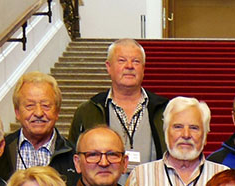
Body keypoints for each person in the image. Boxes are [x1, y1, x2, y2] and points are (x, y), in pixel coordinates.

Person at [68, 38, 169, 175]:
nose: (129, 66)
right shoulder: (88, 110)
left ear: (143, 68)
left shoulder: (165, 110)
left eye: (136, 61)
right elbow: (74, 159)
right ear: (108, 67)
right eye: (122, 60)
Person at [125, 97, 228, 186]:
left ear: (206, 136)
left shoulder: (223, 177)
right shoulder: (140, 176)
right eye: (178, 127)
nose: (186, 134)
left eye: (194, 128)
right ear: (166, 132)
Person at [0, 72, 77, 186]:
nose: (38, 113)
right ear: (17, 112)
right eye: (30, 105)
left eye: (46, 105)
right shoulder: (0, 152)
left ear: (57, 112)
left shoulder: (74, 156)